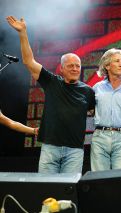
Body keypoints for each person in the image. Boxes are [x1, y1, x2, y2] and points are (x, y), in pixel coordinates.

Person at [6, 16, 96, 174]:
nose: (75, 69)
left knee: (69, 191)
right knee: (46, 190)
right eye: (70, 66)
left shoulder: (88, 91)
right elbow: (29, 61)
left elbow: (95, 113)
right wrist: (23, 33)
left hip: (75, 150)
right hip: (50, 148)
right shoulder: (52, 82)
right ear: (61, 68)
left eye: (78, 66)